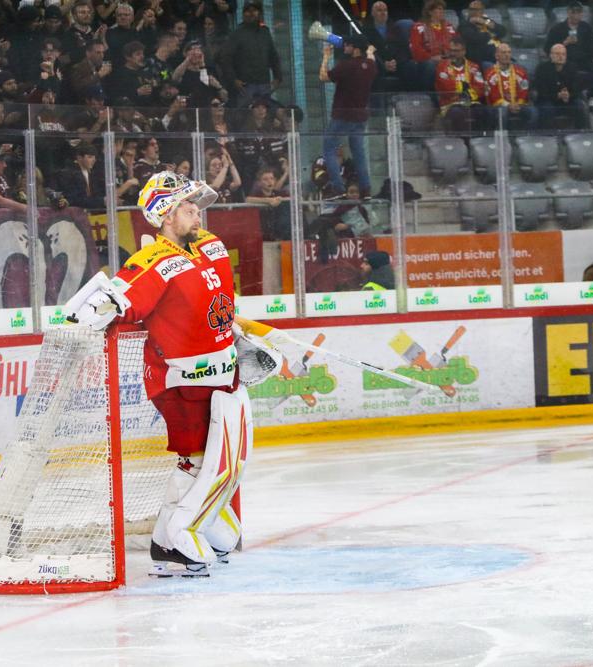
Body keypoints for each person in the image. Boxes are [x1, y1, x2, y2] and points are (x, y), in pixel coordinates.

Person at [63, 171, 292, 577]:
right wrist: (94, 308)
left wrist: (235, 335)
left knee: (228, 459)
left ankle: (198, 525)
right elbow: (117, 301)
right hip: (181, 381)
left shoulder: (211, 246)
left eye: (197, 207)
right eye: (188, 208)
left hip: (223, 373)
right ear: (166, 216)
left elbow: (217, 305)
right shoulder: (152, 262)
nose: (198, 214)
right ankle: (171, 539)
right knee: (199, 459)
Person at [319, 33, 377, 200]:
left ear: (355, 48)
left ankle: (338, 188)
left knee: (329, 149)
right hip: (360, 116)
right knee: (358, 152)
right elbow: (371, 57)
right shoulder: (370, 66)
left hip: (342, 114)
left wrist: (326, 57)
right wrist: (370, 51)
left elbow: (323, 76)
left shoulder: (346, 65)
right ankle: (366, 189)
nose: (344, 46)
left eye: (347, 44)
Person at [218, 1, 283, 109]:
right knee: (245, 114)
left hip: (264, 83)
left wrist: (278, 77)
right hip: (245, 86)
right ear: (243, 14)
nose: (251, 13)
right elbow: (225, 58)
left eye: (254, 10)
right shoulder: (237, 33)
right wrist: (233, 80)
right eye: (247, 11)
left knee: (264, 114)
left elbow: (273, 56)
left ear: (259, 12)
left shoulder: (265, 32)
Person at [435, 38, 486, 133]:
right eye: (451, 50)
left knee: (483, 111)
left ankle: (480, 139)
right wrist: (464, 87)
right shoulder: (442, 66)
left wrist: (466, 93)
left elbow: (480, 88)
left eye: (456, 51)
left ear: (464, 51)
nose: (453, 53)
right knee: (459, 113)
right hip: (450, 105)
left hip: (471, 103)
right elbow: (446, 88)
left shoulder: (474, 67)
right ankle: (464, 140)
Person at [534, 43, 588, 129]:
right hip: (548, 100)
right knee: (547, 109)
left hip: (568, 101)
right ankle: (548, 135)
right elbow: (541, 91)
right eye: (557, 54)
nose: (561, 57)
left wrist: (568, 95)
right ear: (551, 55)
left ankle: (581, 133)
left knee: (579, 106)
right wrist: (558, 95)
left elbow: (577, 88)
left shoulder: (572, 68)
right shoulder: (542, 69)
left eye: (563, 54)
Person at [485, 43, 536, 130]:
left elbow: (524, 89)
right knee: (502, 113)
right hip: (499, 105)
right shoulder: (489, 73)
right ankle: (502, 136)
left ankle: (527, 136)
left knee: (533, 112)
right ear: (497, 56)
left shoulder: (521, 71)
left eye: (509, 52)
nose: (507, 55)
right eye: (503, 52)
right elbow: (492, 94)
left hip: (519, 104)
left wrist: (518, 104)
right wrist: (508, 105)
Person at [545, 1, 593, 76]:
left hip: (584, 62)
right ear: (568, 13)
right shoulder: (557, 29)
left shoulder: (587, 28)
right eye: (573, 12)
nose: (576, 16)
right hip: (564, 62)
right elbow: (547, 48)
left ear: (582, 14)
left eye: (579, 12)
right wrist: (564, 43)